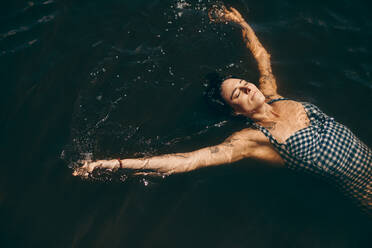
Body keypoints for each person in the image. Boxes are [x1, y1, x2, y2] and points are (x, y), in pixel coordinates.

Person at [73, 6, 371, 212]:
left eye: (243, 83)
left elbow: (262, 56)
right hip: (364, 190)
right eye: (237, 94)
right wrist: (111, 163)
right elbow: (187, 161)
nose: (246, 87)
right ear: (236, 112)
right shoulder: (251, 141)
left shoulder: (273, 95)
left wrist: (240, 22)